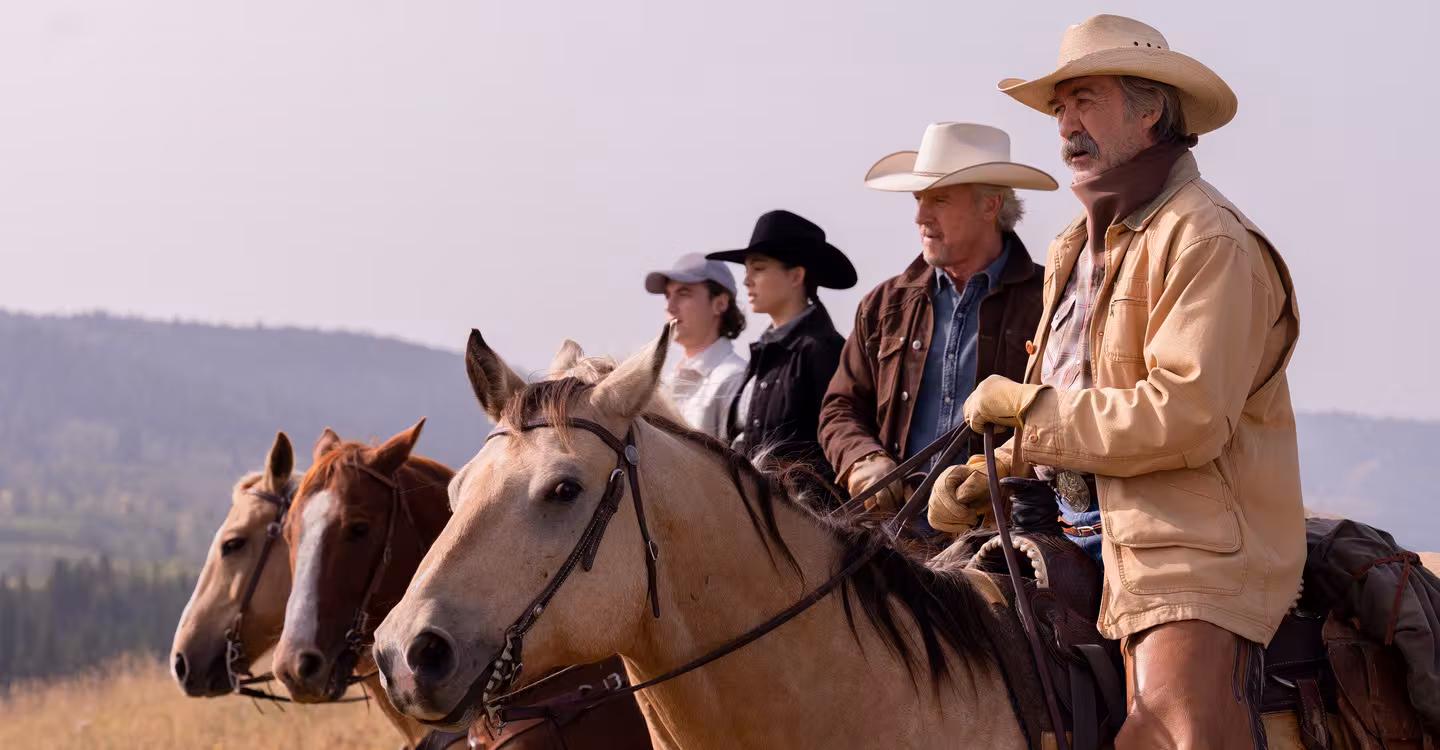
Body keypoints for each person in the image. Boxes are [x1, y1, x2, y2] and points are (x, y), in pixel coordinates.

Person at [934, 15, 1303, 749]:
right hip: (1062, 529)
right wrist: (995, 470)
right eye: (1060, 107)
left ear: (1150, 112)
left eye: (1086, 101)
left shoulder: (1208, 237)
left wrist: (1029, 411)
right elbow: (1078, 407)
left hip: (1186, 553)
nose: (1066, 125)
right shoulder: (1073, 247)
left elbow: (1187, 415)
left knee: (1166, 733)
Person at [819, 122, 1056, 515]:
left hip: (996, 538)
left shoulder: (1051, 302)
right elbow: (840, 406)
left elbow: (1063, 420)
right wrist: (863, 458)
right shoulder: (884, 305)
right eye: (918, 199)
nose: (920, 216)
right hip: (892, 536)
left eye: (939, 200)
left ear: (990, 205)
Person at [706, 210, 854, 487]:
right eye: (747, 271)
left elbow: (839, 441)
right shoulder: (765, 352)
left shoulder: (824, 349)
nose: (747, 281)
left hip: (803, 511)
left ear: (796, 275)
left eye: (759, 269)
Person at [643, 253, 747, 439]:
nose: (670, 306)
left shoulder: (734, 378)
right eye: (668, 296)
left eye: (683, 294)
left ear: (720, 303)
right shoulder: (665, 383)